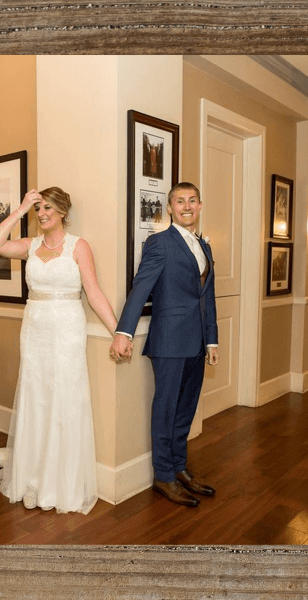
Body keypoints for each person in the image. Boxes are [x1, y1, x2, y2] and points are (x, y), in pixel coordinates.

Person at [0, 187, 121, 514]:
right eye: (38, 209)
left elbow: (93, 292)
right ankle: (33, 475)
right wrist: (21, 207)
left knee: (64, 397)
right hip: (34, 328)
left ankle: (60, 481)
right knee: (35, 395)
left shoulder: (78, 246)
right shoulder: (30, 246)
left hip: (67, 327)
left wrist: (118, 331)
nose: (41, 214)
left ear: (63, 212)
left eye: (47, 208)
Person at [110, 182, 219, 507]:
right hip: (169, 341)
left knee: (186, 409)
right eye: (180, 201)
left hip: (198, 343)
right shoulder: (159, 243)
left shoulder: (205, 247)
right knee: (166, 409)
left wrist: (212, 339)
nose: (187, 206)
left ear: (200, 205)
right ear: (170, 207)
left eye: (192, 200)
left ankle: (179, 467)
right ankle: (164, 476)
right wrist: (123, 332)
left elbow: (207, 298)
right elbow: (141, 287)